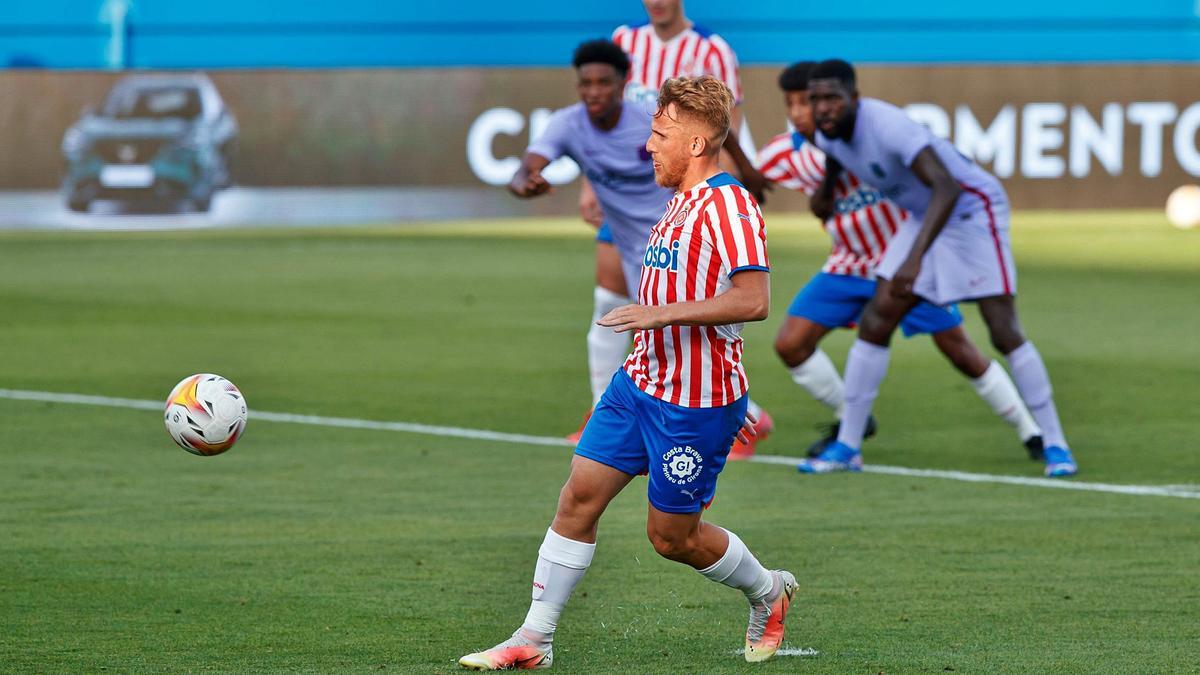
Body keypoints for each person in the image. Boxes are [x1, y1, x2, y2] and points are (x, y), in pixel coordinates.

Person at [460, 76, 795, 670]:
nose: (649, 145)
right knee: (577, 499)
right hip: (639, 383)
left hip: (696, 405)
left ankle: (768, 592)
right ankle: (534, 640)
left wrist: (661, 318)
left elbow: (753, 300)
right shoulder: (678, 201)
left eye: (660, 133)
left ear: (696, 144)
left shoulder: (730, 205)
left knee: (673, 539)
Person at [801, 59, 1077, 477]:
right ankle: (848, 447)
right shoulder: (827, 132)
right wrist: (825, 193)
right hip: (922, 215)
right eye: (815, 99)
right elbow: (839, 157)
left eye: (832, 99)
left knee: (1002, 330)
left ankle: (1056, 445)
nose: (823, 108)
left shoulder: (889, 127)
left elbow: (947, 186)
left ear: (854, 99)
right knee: (877, 319)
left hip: (970, 209)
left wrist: (914, 259)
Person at [512, 40, 768, 460]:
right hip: (632, 237)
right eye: (586, 83)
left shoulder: (651, 123)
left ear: (624, 84)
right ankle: (604, 413)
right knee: (616, 318)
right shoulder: (568, 124)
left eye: (604, 82)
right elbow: (527, 167)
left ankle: (740, 412)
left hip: (678, 235)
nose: (594, 91)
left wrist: (747, 169)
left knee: (681, 333)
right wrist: (526, 183)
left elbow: (714, 133)